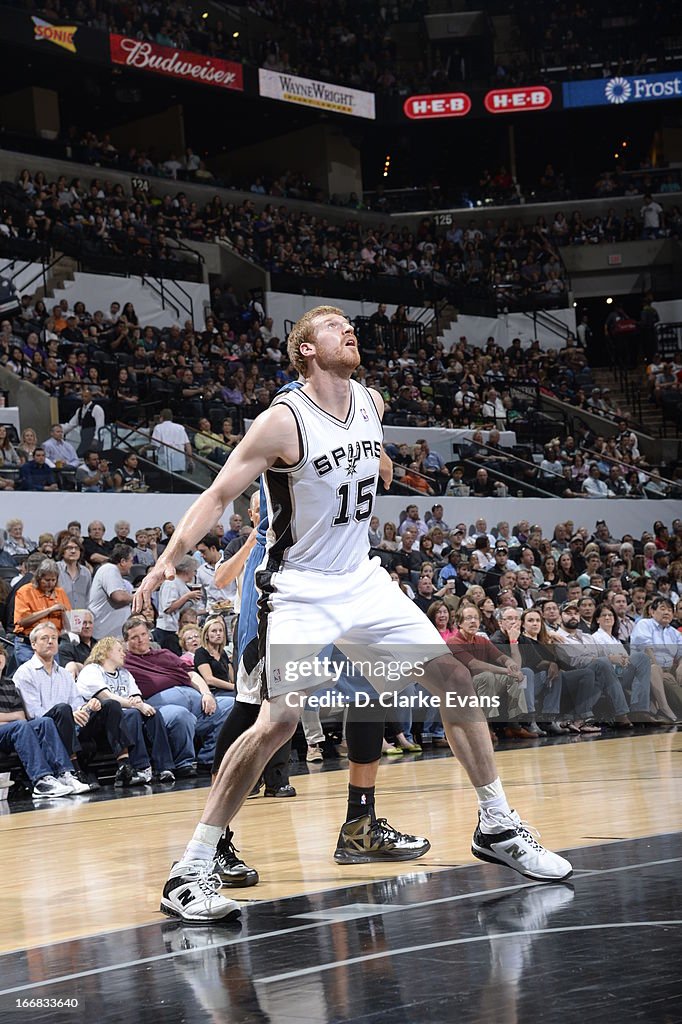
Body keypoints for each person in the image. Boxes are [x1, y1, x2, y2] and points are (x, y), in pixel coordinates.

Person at [135, 304, 571, 924]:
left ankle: (497, 825)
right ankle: (191, 869)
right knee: (278, 720)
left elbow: (372, 458)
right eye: (334, 326)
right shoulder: (280, 422)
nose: (350, 330)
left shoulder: (370, 401)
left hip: (363, 579)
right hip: (300, 588)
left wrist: (383, 466)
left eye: (350, 325)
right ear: (306, 350)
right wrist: (166, 562)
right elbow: (218, 494)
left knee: (456, 679)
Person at [13, 622, 147, 788]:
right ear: (33, 644)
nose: (50, 642)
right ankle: (76, 771)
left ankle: (124, 767)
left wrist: (88, 707)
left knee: (110, 704)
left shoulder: (64, 673)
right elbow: (34, 714)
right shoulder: (25, 673)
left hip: (74, 723)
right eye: (45, 638)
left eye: (54, 638)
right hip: (47, 727)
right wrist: (70, 714)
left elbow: (77, 702)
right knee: (63, 709)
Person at [76, 637, 176, 783]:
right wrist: (137, 705)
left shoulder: (124, 673)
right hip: (98, 721)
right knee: (133, 713)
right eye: (119, 650)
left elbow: (136, 696)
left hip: (126, 714)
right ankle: (140, 767)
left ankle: (164, 767)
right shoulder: (91, 670)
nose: (124, 654)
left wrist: (139, 703)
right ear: (106, 652)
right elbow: (106, 697)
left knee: (153, 713)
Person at [0, 643, 89, 798]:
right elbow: (18, 719)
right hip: (10, 730)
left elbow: (21, 715)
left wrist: (8, 719)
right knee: (20, 726)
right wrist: (12, 718)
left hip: (10, 730)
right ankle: (41, 781)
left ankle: (64, 774)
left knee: (45, 721)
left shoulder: (8, 683)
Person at [13, 559, 71, 668]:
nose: (50, 583)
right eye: (47, 580)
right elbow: (22, 621)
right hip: (28, 645)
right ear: (38, 578)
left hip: (52, 644)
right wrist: (50, 610)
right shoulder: (25, 591)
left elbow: (69, 620)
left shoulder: (60, 592)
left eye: (53, 580)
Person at [88, 545, 135, 640]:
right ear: (123, 561)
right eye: (131, 561)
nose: (132, 565)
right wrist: (138, 596)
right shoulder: (109, 569)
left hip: (112, 635)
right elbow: (119, 597)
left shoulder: (114, 573)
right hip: (105, 635)